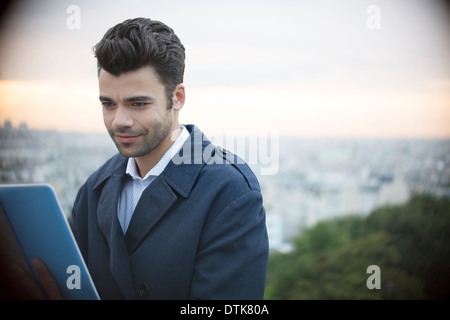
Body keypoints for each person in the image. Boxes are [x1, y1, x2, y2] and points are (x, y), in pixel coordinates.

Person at [66, 17, 268, 300]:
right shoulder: (92, 189)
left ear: (178, 97)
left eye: (138, 103)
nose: (119, 120)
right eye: (108, 104)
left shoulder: (230, 193)